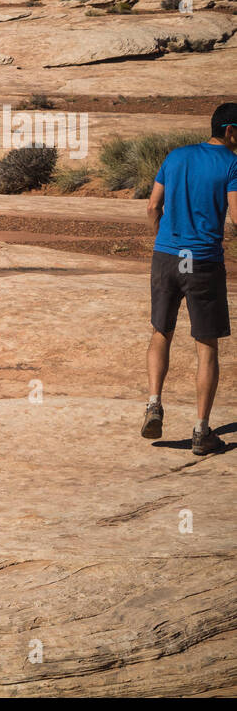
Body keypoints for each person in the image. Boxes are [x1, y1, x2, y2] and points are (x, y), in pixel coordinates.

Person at [142, 102, 237, 454]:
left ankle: (154, 403)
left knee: (160, 331)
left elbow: (153, 206)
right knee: (206, 345)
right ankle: (201, 431)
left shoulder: (176, 156)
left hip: (169, 256)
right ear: (230, 131)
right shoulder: (232, 164)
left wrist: (161, 242)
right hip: (202, 261)